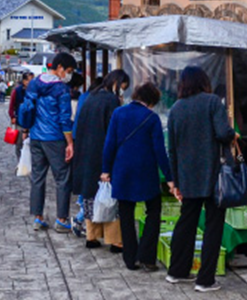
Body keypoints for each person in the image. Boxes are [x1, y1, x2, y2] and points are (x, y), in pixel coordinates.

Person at [165, 66, 237, 293]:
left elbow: (172, 150)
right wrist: (233, 134)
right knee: (213, 226)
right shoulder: (212, 102)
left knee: (186, 222)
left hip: (187, 176)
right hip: (214, 174)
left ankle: (177, 271)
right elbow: (222, 133)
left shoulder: (176, 109)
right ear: (203, 81)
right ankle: (205, 280)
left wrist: (175, 182)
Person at [101, 82, 175, 271]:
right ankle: (147, 257)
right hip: (146, 171)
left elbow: (109, 143)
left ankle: (130, 258)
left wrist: (106, 170)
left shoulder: (118, 113)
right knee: (154, 210)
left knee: (126, 214)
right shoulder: (152, 118)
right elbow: (160, 151)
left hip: (122, 170)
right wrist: (169, 177)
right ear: (151, 101)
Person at [72, 70, 131, 253]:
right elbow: (114, 132)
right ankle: (115, 241)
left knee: (91, 197)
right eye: (123, 87)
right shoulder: (111, 101)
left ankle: (91, 236)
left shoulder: (91, 96)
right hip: (103, 154)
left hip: (85, 153)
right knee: (110, 198)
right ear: (117, 83)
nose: (122, 91)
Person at [26, 52, 78, 233]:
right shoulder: (61, 89)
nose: (69, 75)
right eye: (69, 71)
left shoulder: (34, 83)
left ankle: (38, 217)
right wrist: (70, 143)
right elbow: (64, 119)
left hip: (36, 137)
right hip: (55, 138)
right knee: (62, 178)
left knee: (37, 177)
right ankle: (61, 219)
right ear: (60, 67)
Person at [9, 72, 34, 160]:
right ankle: (20, 161)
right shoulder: (17, 91)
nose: (31, 82)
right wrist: (12, 116)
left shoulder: (35, 91)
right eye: (29, 80)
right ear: (24, 81)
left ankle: (30, 161)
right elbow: (11, 106)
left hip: (32, 121)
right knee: (19, 143)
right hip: (20, 120)